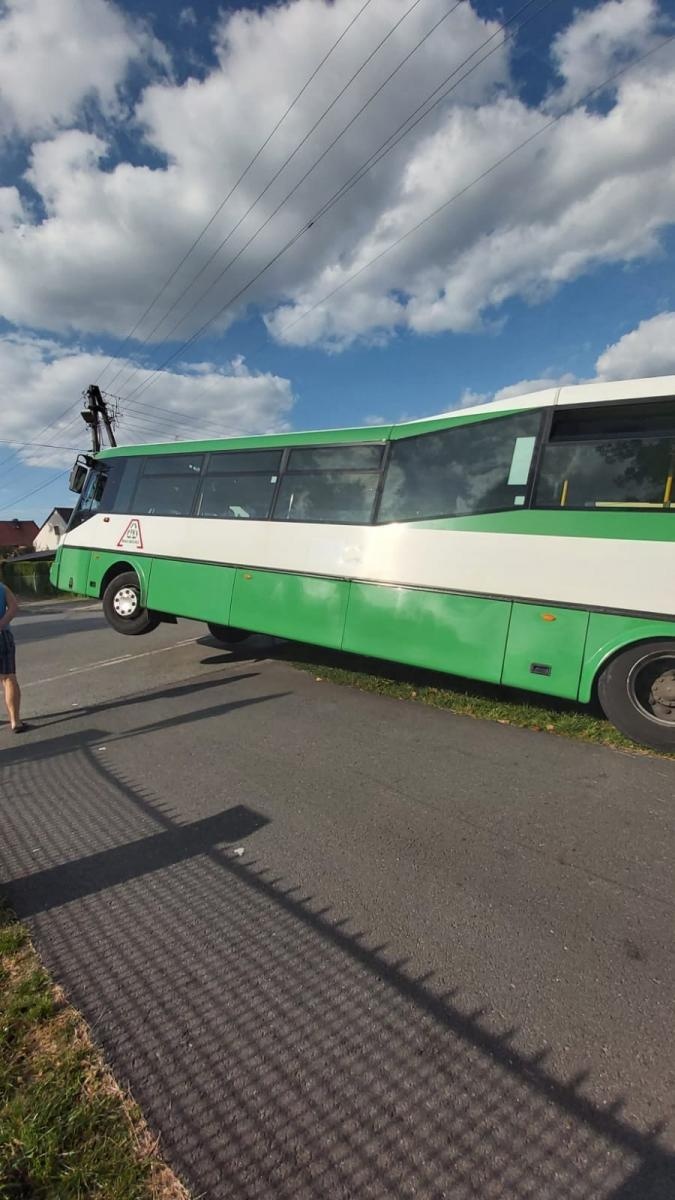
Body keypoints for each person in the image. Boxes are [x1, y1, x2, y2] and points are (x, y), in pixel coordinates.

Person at [0, 581, 26, 733]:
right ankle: (15, 721)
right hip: (2, 636)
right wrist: (2, 623)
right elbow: (14, 607)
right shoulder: (2, 587)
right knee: (9, 677)